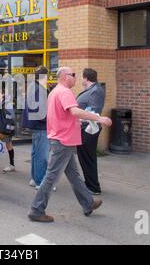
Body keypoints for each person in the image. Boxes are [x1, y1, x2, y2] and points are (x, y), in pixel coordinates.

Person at [28, 67, 112, 222]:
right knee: (51, 176)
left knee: (73, 175)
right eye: (73, 75)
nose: (75, 78)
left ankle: (88, 203)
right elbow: (74, 112)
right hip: (63, 140)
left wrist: (78, 120)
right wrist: (99, 119)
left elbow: (65, 115)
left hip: (60, 138)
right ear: (65, 77)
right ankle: (36, 209)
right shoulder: (65, 92)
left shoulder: (54, 92)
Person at [76, 69, 106, 195]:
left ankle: (93, 186)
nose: (81, 80)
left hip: (89, 129)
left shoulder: (96, 91)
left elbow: (93, 111)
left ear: (86, 78)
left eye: (82, 78)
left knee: (88, 157)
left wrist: (80, 117)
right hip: (85, 127)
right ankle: (89, 183)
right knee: (85, 156)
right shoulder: (92, 89)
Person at [22, 66, 49, 187]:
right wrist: (48, 119)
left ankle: (34, 178)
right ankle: (40, 181)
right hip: (40, 126)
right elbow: (38, 109)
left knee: (35, 153)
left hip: (35, 125)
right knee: (41, 155)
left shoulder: (33, 87)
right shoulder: (39, 89)